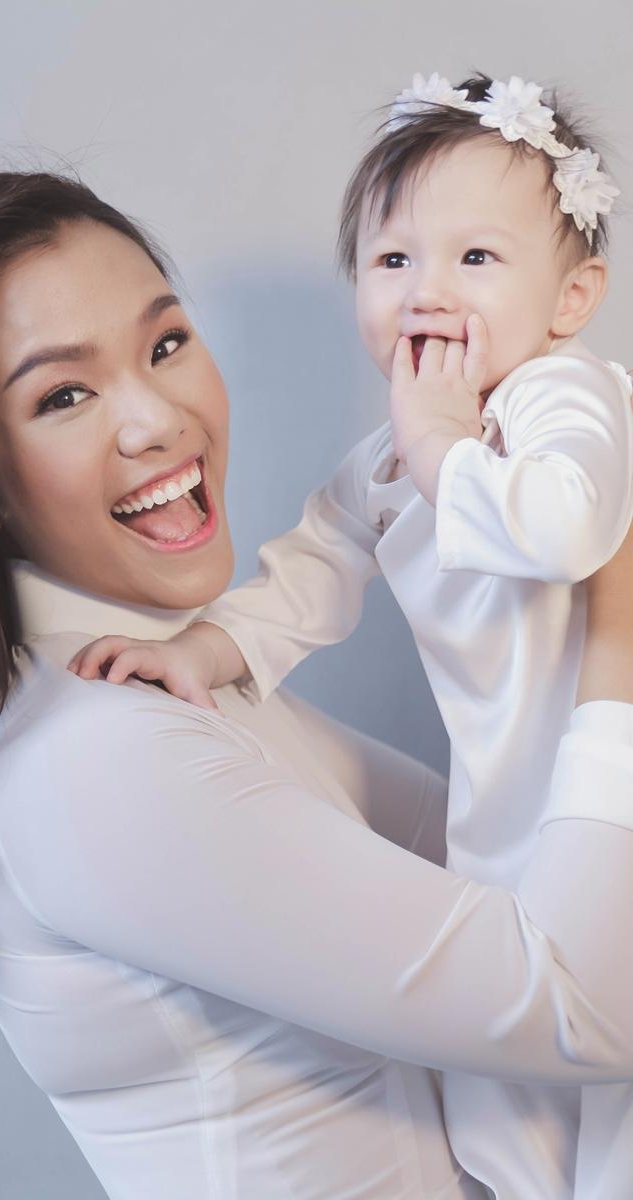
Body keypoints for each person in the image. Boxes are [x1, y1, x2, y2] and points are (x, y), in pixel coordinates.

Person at [0, 173, 633, 1200]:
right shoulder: (93, 758)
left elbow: (517, 874)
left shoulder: (160, 689)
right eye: (64, 396)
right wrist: (615, 601)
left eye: (166, 343)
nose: (156, 420)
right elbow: (589, 1006)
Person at [72, 74, 633, 1195]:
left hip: (602, 773)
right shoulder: (384, 463)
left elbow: (569, 529)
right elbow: (304, 578)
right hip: (506, 804)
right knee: (513, 1083)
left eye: (476, 258)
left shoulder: (564, 398)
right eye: (393, 260)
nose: (428, 291)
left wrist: (439, 445)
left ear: (570, 299)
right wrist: (199, 653)